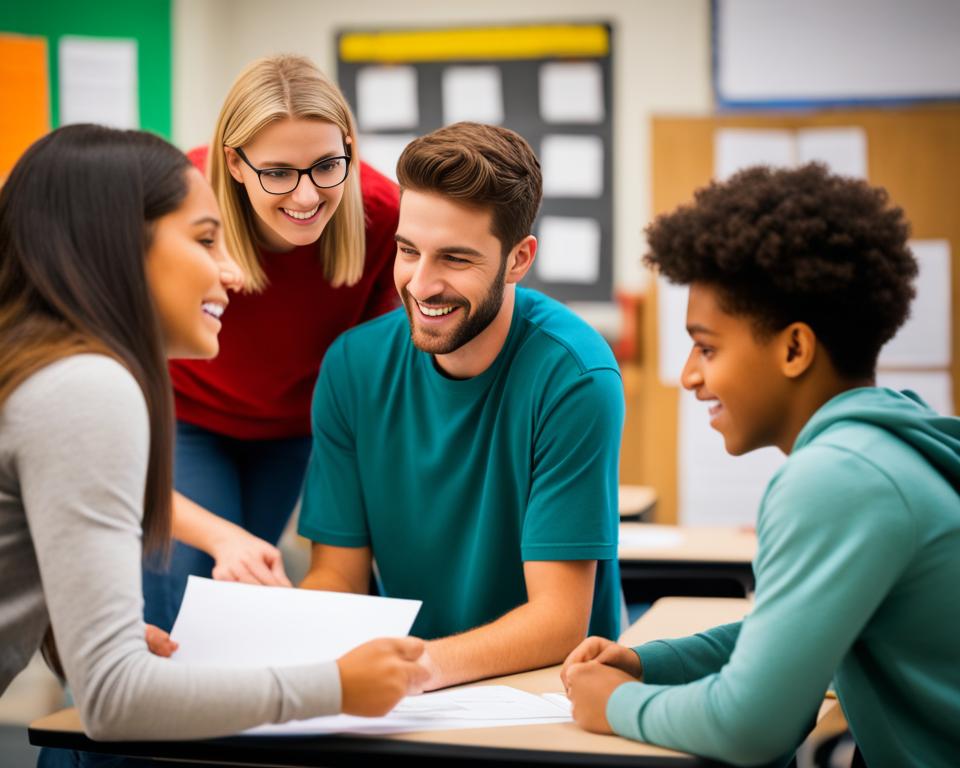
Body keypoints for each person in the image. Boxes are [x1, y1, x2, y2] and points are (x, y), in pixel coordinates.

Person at [0, 124, 427, 746]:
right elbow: (114, 703)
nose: (234, 272)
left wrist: (72, 633)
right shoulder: (88, 387)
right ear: (116, 248)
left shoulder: (41, 370)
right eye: (206, 240)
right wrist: (335, 685)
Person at [561, 164, 960, 767]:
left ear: (794, 348)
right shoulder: (885, 442)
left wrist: (616, 705)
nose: (692, 375)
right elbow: (781, 640)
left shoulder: (839, 477)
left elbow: (754, 725)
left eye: (708, 346)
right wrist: (649, 664)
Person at [298, 122, 625, 691]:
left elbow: (558, 622)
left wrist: (410, 670)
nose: (422, 284)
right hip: (407, 697)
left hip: (543, 695)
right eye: (407, 251)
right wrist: (278, 632)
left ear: (518, 260)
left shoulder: (574, 376)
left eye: (454, 258)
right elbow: (338, 577)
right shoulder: (352, 366)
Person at [143, 54, 402, 632]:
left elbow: (381, 365)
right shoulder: (179, 200)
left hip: (293, 430)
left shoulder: (383, 215)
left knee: (241, 590)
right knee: (182, 590)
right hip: (186, 416)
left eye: (327, 166)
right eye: (279, 172)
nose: (307, 196)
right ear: (234, 163)